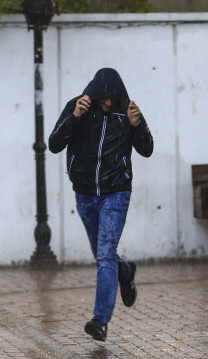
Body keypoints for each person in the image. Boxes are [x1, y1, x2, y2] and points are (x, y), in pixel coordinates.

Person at [49, 68, 154, 341]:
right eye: (104, 98)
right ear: (95, 94)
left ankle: (100, 320)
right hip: (84, 194)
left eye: (113, 98)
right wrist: (75, 117)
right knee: (102, 255)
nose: (109, 103)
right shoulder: (77, 107)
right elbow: (54, 144)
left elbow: (147, 149)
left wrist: (137, 125)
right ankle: (126, 271)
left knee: (106, 254)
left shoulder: (127, 111)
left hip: (116, 193)